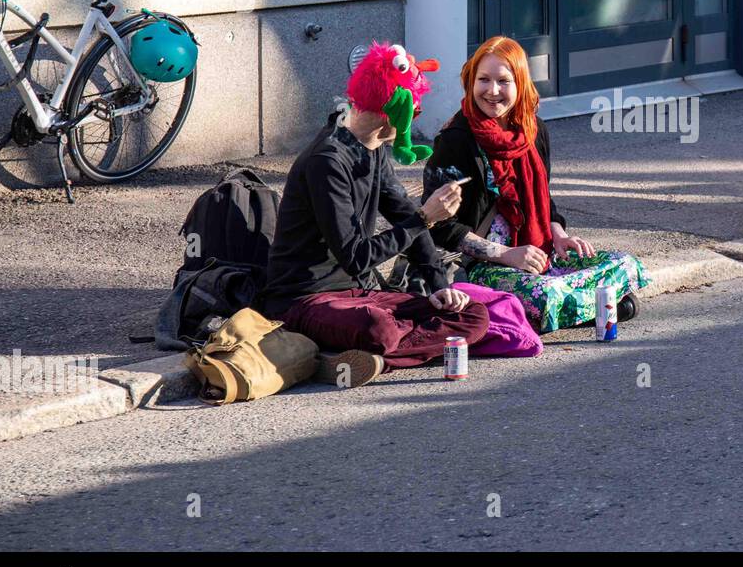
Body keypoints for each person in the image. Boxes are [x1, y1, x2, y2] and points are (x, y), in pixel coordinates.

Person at [253, 42, 490, 386]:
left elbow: (402, 211)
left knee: (471, 314)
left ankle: (366, 358)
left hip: (360, 294)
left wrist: (438, 285)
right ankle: (371, 351)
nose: (415, 120)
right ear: (394, 112)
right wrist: (426, 218)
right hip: (304, 299)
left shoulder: (372, 147)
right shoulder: (328, 161)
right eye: (416, 112)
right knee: (376, 328)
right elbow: (356, 256)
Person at [425, 36, 651, 334]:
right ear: (471, 81)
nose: (492, 91)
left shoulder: (534, 129)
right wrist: (506, 254)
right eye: (483, 80)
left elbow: (544, 198)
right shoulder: (456, 139)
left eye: (503, 81)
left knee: (626, 264)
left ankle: (557, 311)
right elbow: (439, 226)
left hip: (540, 253)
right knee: (546, 294)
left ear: (520, 84)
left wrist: (558, 234)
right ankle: (592, 307)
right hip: (486, 264)